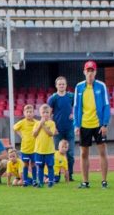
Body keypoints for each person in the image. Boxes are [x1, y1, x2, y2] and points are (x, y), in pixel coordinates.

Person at [73, 61, 110, 189]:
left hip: (98, 125)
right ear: (84, 72)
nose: (90, 73)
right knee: (83, 153)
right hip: (84, 125)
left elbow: (106, 105)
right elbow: (76, 107)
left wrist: (104, 124)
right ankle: (85, 182)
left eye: (92, 71)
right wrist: (76, 125)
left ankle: (104, 181)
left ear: (95, 72)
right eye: (88, 71)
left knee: (102, 152)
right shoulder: (79, 87)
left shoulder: (101, 86)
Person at [47, 76, 75, 181]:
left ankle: (70, 175)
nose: (61, 86)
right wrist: (52, 127)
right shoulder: (53, 98)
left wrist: (74, 115)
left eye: (63, 84)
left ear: (66, 85)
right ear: (56, 86)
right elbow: (48, 114)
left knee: (70, 153)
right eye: (59, 84)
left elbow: (78, 107)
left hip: (69, 129)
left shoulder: (71, 96)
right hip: (57, 130)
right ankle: (56, 174)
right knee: (56, 154)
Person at [13, 104, 38, 187]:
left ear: (33, 113)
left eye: (30, 112)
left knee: (34, 164)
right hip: (25, 149)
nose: (29, 113)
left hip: (34, 149)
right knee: (25, 164)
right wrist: (21, 135)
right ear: (24, 113)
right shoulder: (22, 122)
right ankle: (25, 181)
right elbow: (14, 128)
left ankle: (34, 180)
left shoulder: (36, 123)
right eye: (27, 112)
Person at [32, 104, 57, 188]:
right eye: (43, 112)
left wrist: (43, 125)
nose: (45, 114)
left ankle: (50, 182)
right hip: (39, 150)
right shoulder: (36, 123)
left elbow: (51, 134)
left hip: (49, 150)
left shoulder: (52, 123)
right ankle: (40, 182)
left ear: (50, 113)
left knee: (50, 166)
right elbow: (34, 134)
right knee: (40, 167)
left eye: (47, 112)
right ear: (40, 113)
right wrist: (40, 125)